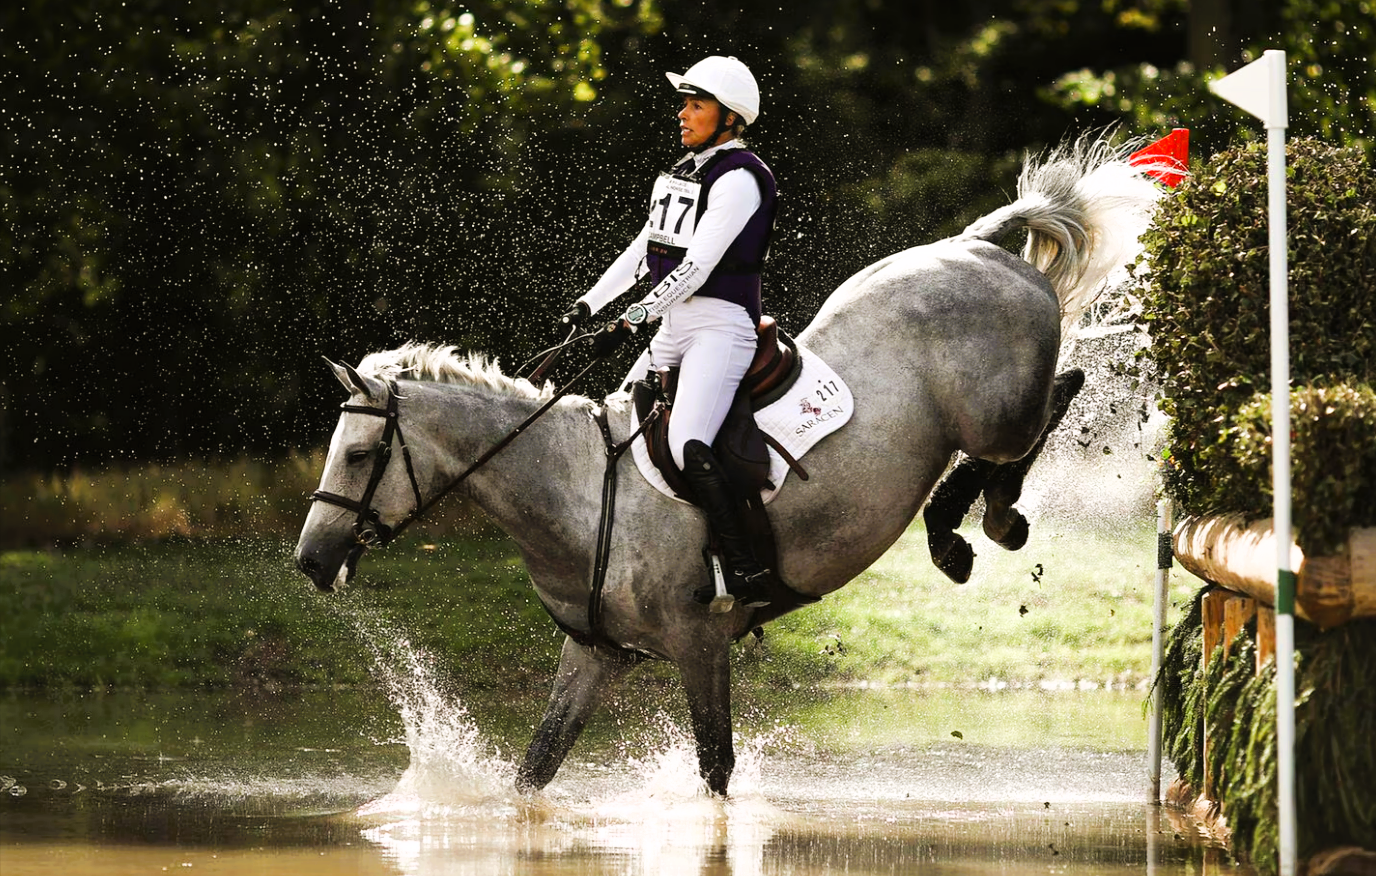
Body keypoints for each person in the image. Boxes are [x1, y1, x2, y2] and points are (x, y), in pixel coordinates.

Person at [562, 55, 779, 609]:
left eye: (695, 104)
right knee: (614, 420)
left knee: (686, 445)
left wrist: (631, 319)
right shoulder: (684, 172)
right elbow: (646, 251)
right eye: (683, 103)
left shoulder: (740, 178)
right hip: (675, 322)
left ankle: (744, 570)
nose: (682, 114)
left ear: (729, 117)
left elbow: (697, 268)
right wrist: (590, 305)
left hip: (719, 327)